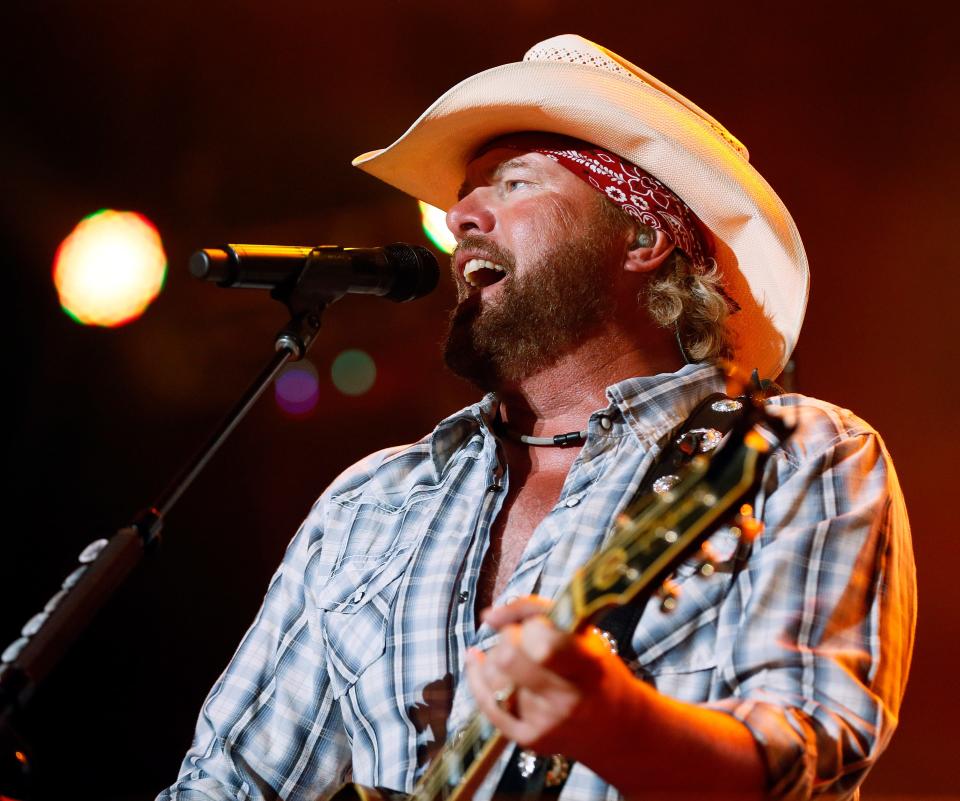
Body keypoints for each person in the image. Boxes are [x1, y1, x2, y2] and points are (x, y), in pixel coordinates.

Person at [158, 35, 915, 801]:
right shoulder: (369, 504)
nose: (460, 217)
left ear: (644, 236)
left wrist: (615, 722)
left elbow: (806, 750)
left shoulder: (790, 452)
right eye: (464, 194)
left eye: (513, 183)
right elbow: (225, 784)